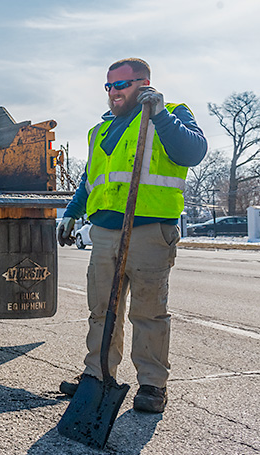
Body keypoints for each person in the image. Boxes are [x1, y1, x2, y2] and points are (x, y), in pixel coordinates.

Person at [56, 58, 207, 413]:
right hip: (105, 233)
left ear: (144, 83)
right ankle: (96, 376)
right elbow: (89, 181)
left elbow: (193, 152)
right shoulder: (101, 130)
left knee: (149, 312)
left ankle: (153, 385)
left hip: (149, 232)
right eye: (108, 86)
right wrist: (72, 213)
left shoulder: (171, 112)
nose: (113, 93)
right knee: (101, 311)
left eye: (121, 85)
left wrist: (159, 115)